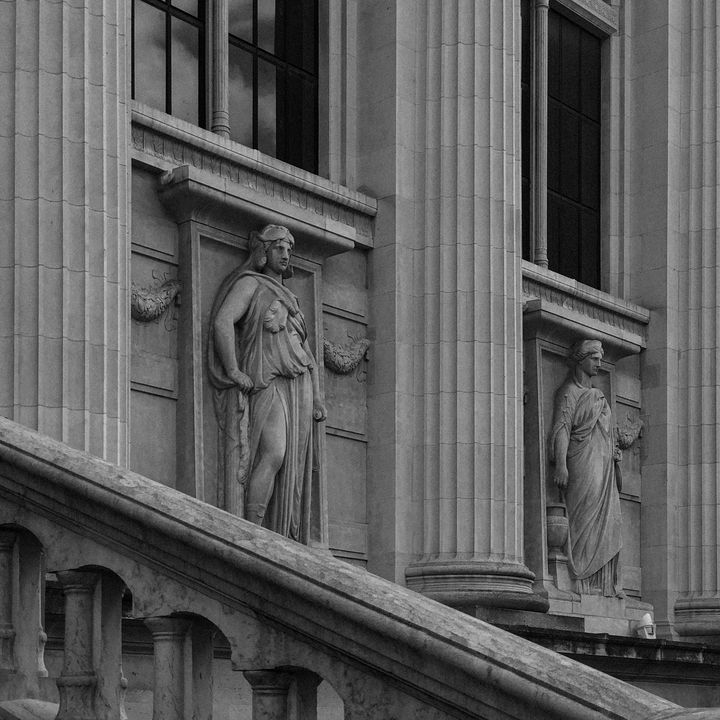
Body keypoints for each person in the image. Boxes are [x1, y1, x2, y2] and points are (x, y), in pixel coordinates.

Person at [207, 224, 326, 542]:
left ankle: (279, 533)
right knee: (274, 453)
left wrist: (317, 398)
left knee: (292, 465)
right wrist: (233, 369)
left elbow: (308, 353)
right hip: (268, 380)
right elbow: (223, 321)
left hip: (298, 384)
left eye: (289, 248)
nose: (286, 254)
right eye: (278, 248)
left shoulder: (292, 298)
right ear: (262, 252)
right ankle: (253, 532)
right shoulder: (250, 284)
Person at [549, 339, 623, 596]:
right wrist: (560, 464)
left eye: (601, 358)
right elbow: (562, 428)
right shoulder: (569, 392)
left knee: (607, 521)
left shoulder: (599, 397)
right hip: (581, 464)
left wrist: (615, 454)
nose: (600, 363)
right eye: (595, 358)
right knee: (583, 517)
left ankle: (600, 584)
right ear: (581, 359)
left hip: (603, 467)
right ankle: (580, 576)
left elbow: (609, 435)